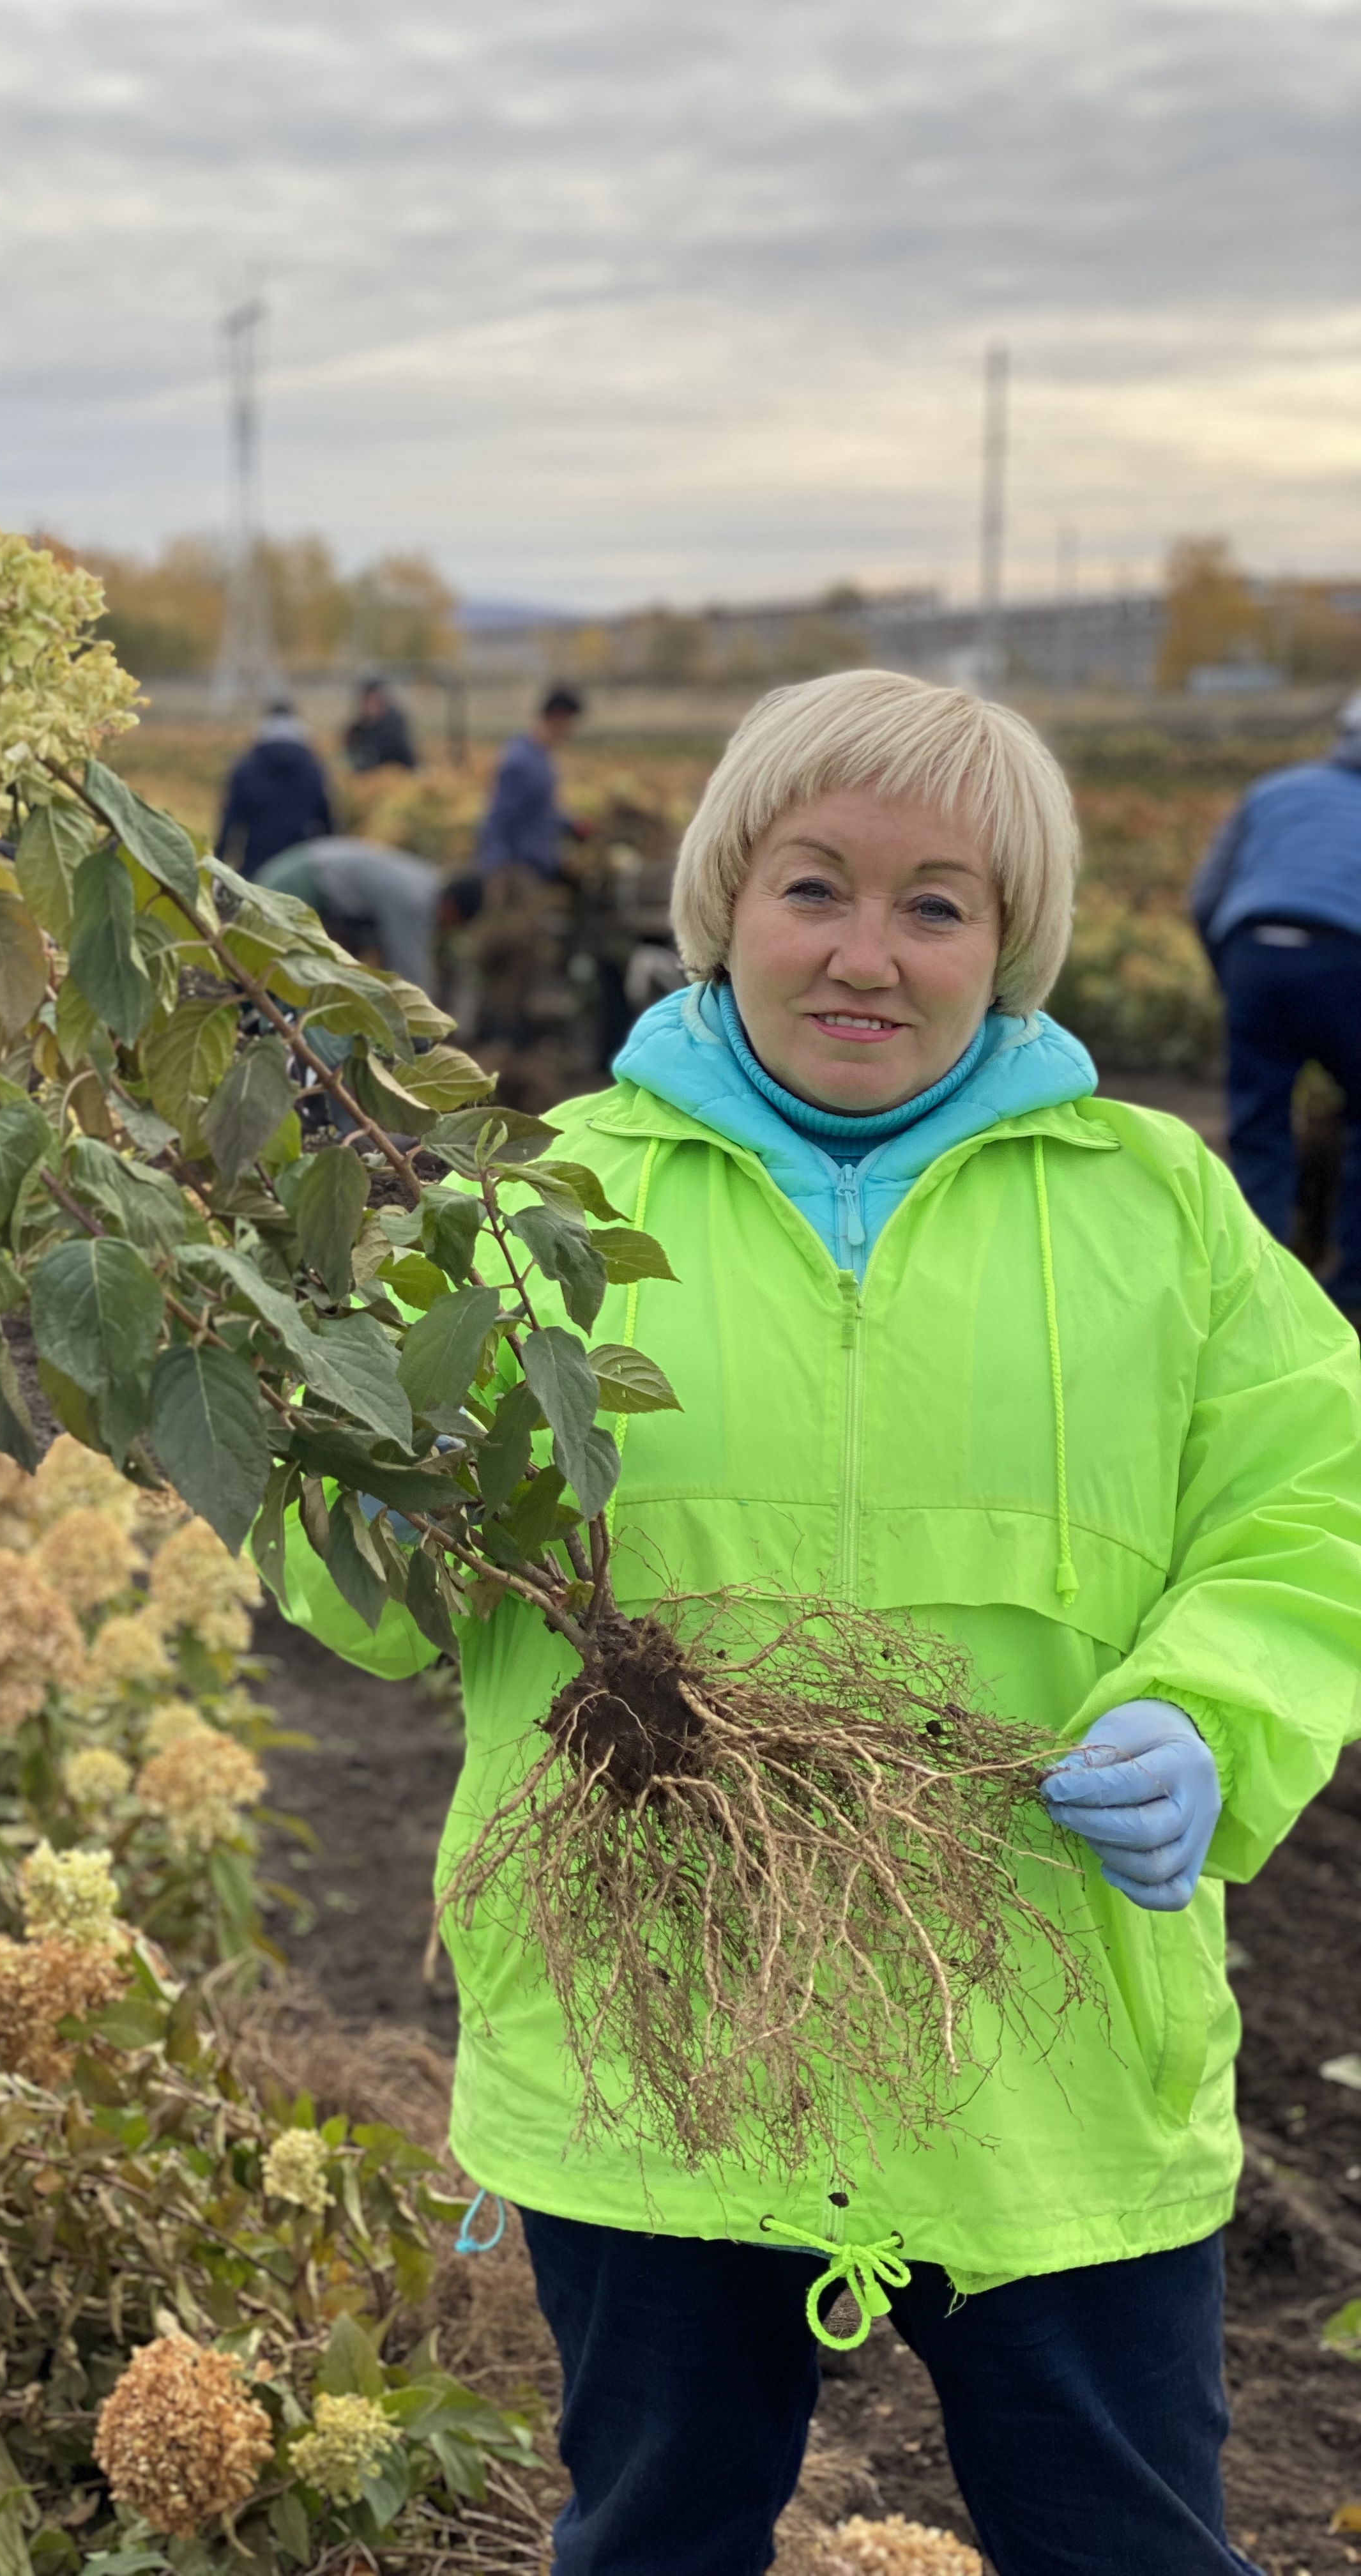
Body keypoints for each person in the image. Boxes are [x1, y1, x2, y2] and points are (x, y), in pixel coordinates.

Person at [281, 668, 1361, 2576]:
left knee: (1125, 2541)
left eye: (937, 905)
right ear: (724, 903)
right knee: (657, 2536)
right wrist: (331, 1465)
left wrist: (1215, 1711)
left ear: (1011, 943)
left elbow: (1310, 1510)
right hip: (656, 2056)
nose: (868, 955)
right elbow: (368, 1589)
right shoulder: (533, 1208)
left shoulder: (1160, 1215)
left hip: (1047, 2060)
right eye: (813, 889)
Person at [1190, 689, 1361, 1313]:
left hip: (1254, 951)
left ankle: (1256, 1289)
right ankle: (1349, 1288)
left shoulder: (1273, 790)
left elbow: (1205, 897)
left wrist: (1232, 978)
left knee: (1259, 1127)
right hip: (1348, 956)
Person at [255, 836, 443, 996]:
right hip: (302, 881)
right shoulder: (414, 902)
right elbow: (409, 974)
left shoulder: (429, 882)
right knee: (272, 970)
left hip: (307, 863)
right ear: (451, 908)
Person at [476, 683, 586, 880]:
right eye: (569, 722)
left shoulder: (541, 758)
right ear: (558, 717)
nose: (570, 731)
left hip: (538, 865)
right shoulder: (522, 761)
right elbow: (499, 818)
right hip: (520, 870)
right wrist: (497, 873)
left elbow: (539, 810)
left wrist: (571, 825)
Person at [215, 703, 335, 878]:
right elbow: (326, 819)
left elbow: (231, 820)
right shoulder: (313, 768)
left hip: (257, 863)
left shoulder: (246, 768)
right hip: (299, 863)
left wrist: (219, 862)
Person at [342, 677, 418, 774]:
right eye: (367, 701)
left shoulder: (393, 729)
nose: (370, 706)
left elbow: (405, 757)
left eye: (374, 700)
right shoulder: (359, 729)